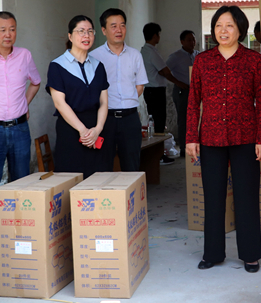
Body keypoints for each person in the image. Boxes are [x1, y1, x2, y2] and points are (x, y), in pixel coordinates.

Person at [186, 5, 261, 273]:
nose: (223, 31)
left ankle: (251, 254)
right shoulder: (203, 61)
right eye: (218, 25)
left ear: (240, 30)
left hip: (245, 137)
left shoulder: (254, 60)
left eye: (229, 25)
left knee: (247, 197)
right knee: (213, 197)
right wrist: (191, 137)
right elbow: (193, 102)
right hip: (210, 137)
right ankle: (213, 252)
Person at [46, 15, 109, 179]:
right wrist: (82, 130)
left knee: (97, 178)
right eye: (81, 31)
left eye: (90, 31)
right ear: (70, 36)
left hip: (96, 129)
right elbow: (60, 103)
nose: (86, 35)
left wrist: (98, 129)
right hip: (70, 130)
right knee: (70, 178)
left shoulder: (98, 66)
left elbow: (104, 102)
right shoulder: (57, 66)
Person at [90, 9, 148, 171]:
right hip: (104, 119)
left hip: (130, 119)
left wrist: (127, 101)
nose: (119, 30)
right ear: (104, 30)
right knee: (103, 165)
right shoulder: (94, 57)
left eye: (122, 25)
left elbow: (140, 85)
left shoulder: (135, 55)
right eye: (113, 26)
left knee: (132, 166)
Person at [0, 11, 41, 184]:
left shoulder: (24, 55)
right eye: (2, 30)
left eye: (12, 29)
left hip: (20, 128)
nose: (8, 34)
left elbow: (36, 82)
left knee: (21, 180)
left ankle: (19, 205)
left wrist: (24, 103)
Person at [140, 22, 187, 165]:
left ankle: (158, 155)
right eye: (158, 34)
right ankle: (159, 156)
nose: (159, 37)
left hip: (150, 90)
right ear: (155, 35)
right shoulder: (151, 52)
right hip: (155, 91)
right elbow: (165, 71)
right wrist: (180, 83)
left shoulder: (144, 51)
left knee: (156, 123)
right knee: (159, 124)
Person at [166, 30, 198, 155]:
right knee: (184, 119)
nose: (192, 42)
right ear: (182, 42)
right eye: (189, 40)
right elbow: (164, 71)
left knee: (196, 119)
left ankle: (196, 147)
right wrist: (178, 82)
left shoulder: (198, 55)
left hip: (197, 91)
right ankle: (184, 148)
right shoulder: (175, 57)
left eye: (193, 40)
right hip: (182, 91)